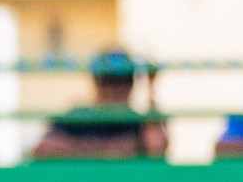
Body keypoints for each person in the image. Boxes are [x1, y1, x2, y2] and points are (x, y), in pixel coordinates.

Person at [32, 48, 167, 159]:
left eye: (124, 81)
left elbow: (157, 146)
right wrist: (111, 149)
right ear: (96, 83)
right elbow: (42, 148)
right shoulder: (78, 116)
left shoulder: (138, 121)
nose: (116, 89)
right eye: (108, 81)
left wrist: (151, 89)